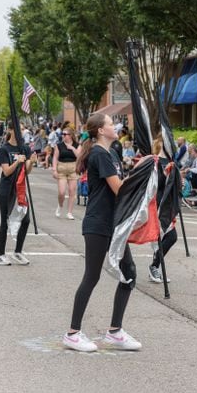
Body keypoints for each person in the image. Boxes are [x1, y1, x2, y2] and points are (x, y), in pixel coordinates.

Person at [62, 113, 143, 353]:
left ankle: (115, 331)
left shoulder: (113, 153)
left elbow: (122, 179)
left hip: (114, 224)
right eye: (110, 124)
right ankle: (73, 333)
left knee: (128, 273)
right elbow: (119, 188)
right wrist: (143, 174)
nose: (115, 126)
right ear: (100, 130)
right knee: (92, 276)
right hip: (98, 224)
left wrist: (141, 167)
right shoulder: (99, 154)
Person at [0, 123, 37, 265]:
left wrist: (31, 162)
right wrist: (17, 161)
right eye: (18, 129)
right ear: (10, 130)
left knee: (26, 220)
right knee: (5, 221)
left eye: (22, 129)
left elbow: (27, 170)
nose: (21, 131)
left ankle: (18, 252)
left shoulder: (24, 148)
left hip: (20, 189)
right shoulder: (4, 149)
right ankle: (1, 254)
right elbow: (6, 171)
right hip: (7, 189)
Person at [148, 136, 176, 284]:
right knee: (169, 237)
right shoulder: (155, 161)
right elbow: (155, 184)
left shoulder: (171, 161)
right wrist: (165, 174)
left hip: (168, 205)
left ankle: (154, 265)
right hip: (158, 205)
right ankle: (154, 266)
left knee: (168, 237)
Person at [52, 127, 81, 220]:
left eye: (65, 134)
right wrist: (54, 170)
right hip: (62, 168)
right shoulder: (59, 145)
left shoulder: (77, 145)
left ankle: (69, 212)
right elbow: (55, 158)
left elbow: (79, 156)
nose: (63, 136)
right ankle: (60, 205)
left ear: (71, 135)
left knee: (72, 191)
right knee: (62, 192)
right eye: (62, 134)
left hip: (73, 168)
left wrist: (72, 148)